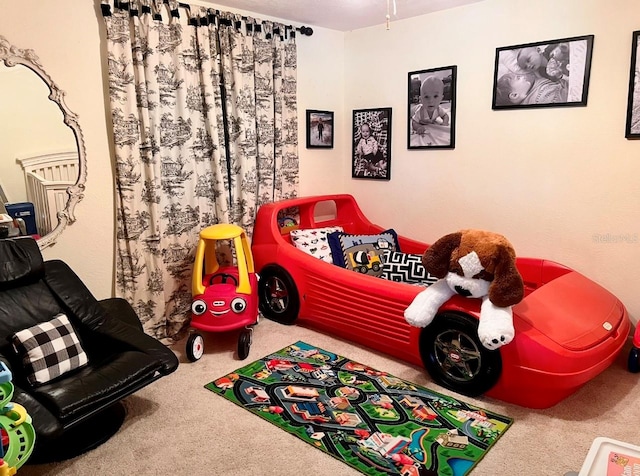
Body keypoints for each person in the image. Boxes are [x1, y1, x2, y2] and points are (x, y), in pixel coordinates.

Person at [494, 71, 568, 106]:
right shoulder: (541, 99)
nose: (523, 77)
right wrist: (562, 78)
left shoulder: (532, 87)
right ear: (514, 95)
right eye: (518, 78)